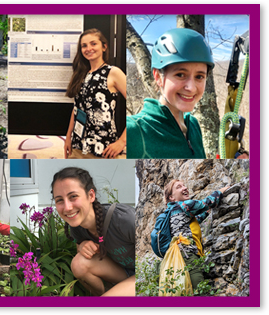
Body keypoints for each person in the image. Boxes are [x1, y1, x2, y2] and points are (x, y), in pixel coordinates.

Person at [127, 28, 213, 159]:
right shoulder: (134, 130)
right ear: (158, 77)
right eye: (180, 74)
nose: (191, 87)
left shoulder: (194, 126)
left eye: (199, 76)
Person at [51, 167, 135, 296]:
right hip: (122, 273)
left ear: (91, 195)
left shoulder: (125, 219)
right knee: (79, 264)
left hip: (146, 275)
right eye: (59, 200)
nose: (67, 208)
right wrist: (82, 246)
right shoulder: (77, 226)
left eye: (73, 196)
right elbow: (82, 251)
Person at [64, 29, 128, 159]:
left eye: (93, 44)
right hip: (78, 145)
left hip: (103, 148)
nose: (89, 48)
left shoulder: (113, 72)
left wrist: (122, 141)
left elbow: (139, 105)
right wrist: (68, 137)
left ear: (104, 47)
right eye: (84, 45)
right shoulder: (82, 74)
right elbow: (76, 108)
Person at [163, 179, 231, 290]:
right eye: (179, 187)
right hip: (187, 254)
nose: (185, 188)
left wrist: (207, 212)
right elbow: (209, 202)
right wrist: (221, 190)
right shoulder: (183, 205)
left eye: (184, 185)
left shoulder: (173, 211)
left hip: (179, 255)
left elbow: (192, 222)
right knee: (200, 291)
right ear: (172, 197)